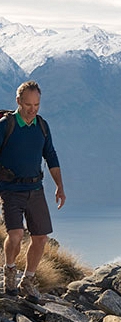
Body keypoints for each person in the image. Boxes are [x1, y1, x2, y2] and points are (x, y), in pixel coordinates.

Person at [0, 80, 66, 302]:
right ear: (18, 101)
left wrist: (60, 186)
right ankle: (9, 272)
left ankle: (27, 280)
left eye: (37, 104)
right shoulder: (5, 125)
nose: (33, 109)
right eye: (28, 104)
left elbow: (52, 156)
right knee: (16, 235)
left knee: (41, 238)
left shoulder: (42, 126)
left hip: (35, 189)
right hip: (10, 190)